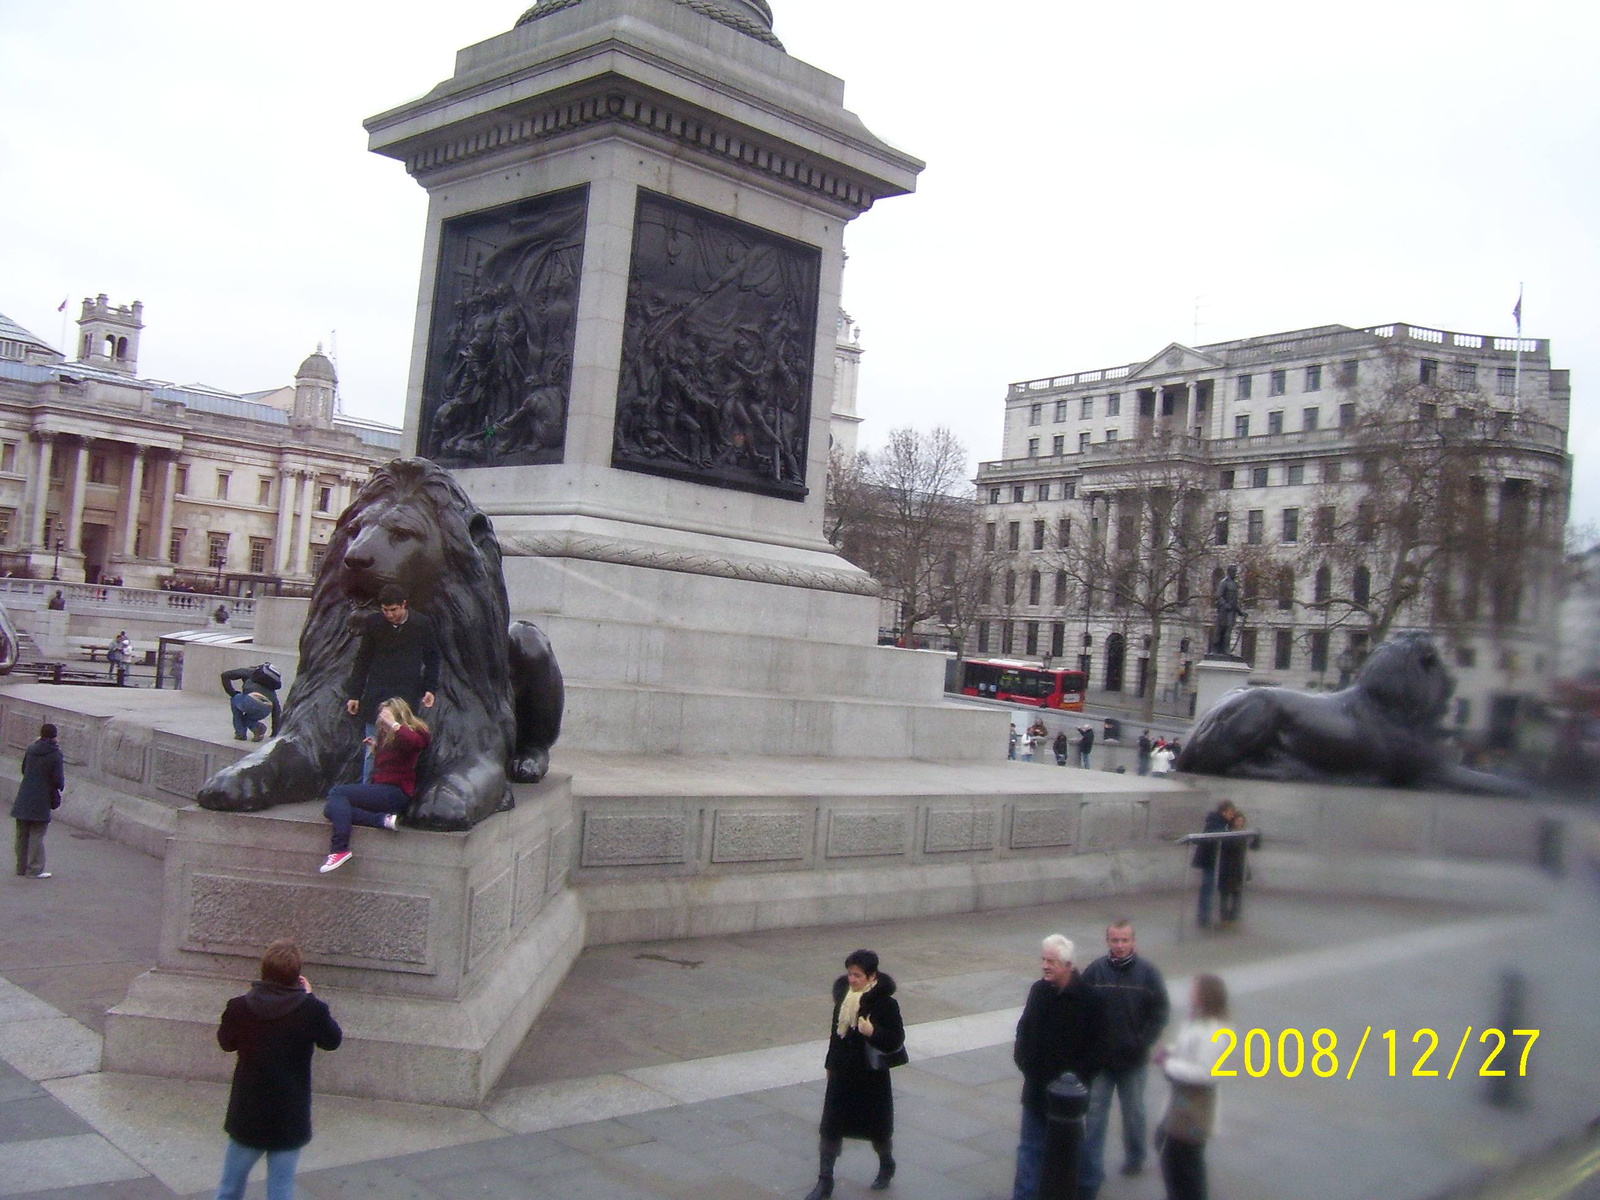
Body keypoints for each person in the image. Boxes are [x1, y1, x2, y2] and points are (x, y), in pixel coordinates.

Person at [213, 939, 342, 1200]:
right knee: (281, 1192)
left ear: (264, 970)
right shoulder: (312, 1011)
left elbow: (226, 1043)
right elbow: (332, 1041)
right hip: (288, 1117)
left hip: (248, 1114)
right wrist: (310, 996)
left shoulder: (239, 1007)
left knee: (229, 1189)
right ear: (297, 974)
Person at [805, 948, 905, 1199]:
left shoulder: (886, 1004)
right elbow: (834, 1036)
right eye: (850, 974)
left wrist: (873, 1032)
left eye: (857, 975)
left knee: (877, 1130)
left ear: (872, 976)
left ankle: (886, 1163)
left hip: (870, 1076)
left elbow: (895, 1039)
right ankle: (825, 1180)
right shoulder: (844, 999)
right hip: (843, 1073)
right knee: (830, 1128)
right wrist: (830, 1065)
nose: (851, 979)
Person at [1010, 934, 1105, 1200]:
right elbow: (1024, 1030)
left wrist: (1078, 1079)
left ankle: (1086, 1190)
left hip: (1070, 1096)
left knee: (1079, 1150)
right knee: (1030, 1148)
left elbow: (1099, 1047)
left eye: (1051, 961)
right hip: (1037, 1089)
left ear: (1068, 965)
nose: (1045, 965)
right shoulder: (1039, 991)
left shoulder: (1090, 1000)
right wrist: (1025, 1061)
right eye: (1043, 959)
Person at [1079, 921, 1170, 1196]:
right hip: (1102, 1061)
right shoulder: (1095, 971)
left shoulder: (1148, 973)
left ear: (1133, 942)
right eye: (1115, 940)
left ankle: (1135, 1157)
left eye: (1124, 940)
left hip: (1133, 1060)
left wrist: (1143, 1041)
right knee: (1095, 1114)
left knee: (1134, 1113)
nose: (1119, 945)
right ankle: (1091, 1167)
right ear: (1107, 941)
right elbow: (1082, 1008)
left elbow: (1160, 1011)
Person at [319, 699, 430, 873]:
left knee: (337, 793)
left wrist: (393, 724)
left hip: (395, 793)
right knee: (330, 809)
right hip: (382, 790)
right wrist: (377, 749)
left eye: (385, 717)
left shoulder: (413, 732)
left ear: (398, 715)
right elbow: (392, 763)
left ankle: (339, 848)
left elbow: (416, 744)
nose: (382, 722)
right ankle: (380, 820)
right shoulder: (389, 737)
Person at [345, 584, 440, 784]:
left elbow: (432, 658)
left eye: (393, 610)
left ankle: (398, 791)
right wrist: (355, 693)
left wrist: (429, 688)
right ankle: (367, 790)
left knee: (404, 744)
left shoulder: (421, 624)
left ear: (404, 605)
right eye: (385, 610)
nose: (389, 615)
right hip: (377, 690)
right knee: (372, 746)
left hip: (407, 690)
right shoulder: (374, 623)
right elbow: (363, 659)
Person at [1153, 974, 1230, 1200]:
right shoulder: (1196, 1021)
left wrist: (1169, 1064)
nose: (1190, 994)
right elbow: (1187, 1045)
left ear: (1205, 996)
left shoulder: (1215, 1032)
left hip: (1194, 1108)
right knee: (1169, 1151)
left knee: (1186, 1164)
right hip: (1180, 1103)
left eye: (1194, 990)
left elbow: (1206, 1072)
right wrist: (1171, 1050)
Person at [11, 723, 63, 879]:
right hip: (41, 798)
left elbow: (23, 769)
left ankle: (21, 867)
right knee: (37, 834)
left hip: (24, 795)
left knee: (22, 833)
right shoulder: (55, 754)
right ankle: (35, 869)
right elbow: (58, 779)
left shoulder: (31, 749)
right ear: (54, 736)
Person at [1191, 800, 1237, 929]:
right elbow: (1213, 839)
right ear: (1223, 812)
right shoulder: (1216, 822)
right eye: (1230, 812)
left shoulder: (1222, 822)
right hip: (1210, 861)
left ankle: (1206, 917)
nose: (1232, 815)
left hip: (1214, 861)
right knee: (1208, 889)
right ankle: (1204, 918)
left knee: (1209, 889)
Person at [1216, 810, 1261, 925]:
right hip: (1228, 867)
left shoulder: (1243, 834)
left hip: (1240, 867)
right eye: (1238, 820)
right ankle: (1224, 916)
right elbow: (1229, 847)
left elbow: (1254, 847)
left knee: (1237, 893)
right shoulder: (1228, 833)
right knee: (1225, 893)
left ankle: (1233, 916)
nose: (1240, 823)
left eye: (1242, 821)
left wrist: (1257, 837)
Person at [222, 663, 284, 741]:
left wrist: (232, 693)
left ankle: (240, 733)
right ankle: (257, 727)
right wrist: (275, 732)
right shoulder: (271, 687)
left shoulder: (250, 671)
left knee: (234, 699)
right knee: (246, 719)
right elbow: (276, 710)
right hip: (266, 708)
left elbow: (225, 675)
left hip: (251, 701)